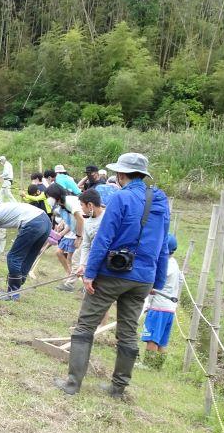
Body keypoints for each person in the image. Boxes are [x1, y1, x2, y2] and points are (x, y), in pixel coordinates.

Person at [54, 153, 170, 398]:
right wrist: (156, 282)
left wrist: (90, 272)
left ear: (120, 174)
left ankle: (73, 384)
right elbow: (162, 245)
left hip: (113, 273)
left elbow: (104, 238)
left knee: (85, 325)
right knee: (128, 332)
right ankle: (118, 389)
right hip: (144, 278)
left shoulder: (121, 198)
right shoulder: (160, 201)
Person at [0, 201, 51, 299]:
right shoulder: (5, 206)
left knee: (13, 257)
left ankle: (12, 294)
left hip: (33, 223)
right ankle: (17, 286)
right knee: (29, 255)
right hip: (46, 222)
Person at [140, 234, 182, 370]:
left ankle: (147, 364)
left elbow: (154, 284)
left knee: (152, 338)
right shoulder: (175, 264)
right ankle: (157, 366)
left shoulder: (165, 265)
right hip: (170, 309)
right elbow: (179, 281)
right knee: (162, 341)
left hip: (159, 306)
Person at [45, 183, 84, 290]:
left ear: (56, 195)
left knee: (76, 259)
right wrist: (62, 228)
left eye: (49, 196)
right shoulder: (62, 206)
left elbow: (80, 219)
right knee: (77, 259)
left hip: (87, 232)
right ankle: (75, 282)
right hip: (80, 232)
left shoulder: (70, 202)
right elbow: (72, 223)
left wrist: (79, 237)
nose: (48, 199)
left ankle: (70, 285)